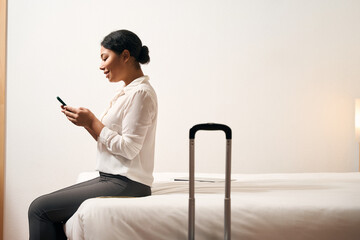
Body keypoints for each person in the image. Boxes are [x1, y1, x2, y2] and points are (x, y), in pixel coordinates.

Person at [28, 29, 158, 240]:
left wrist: (92, 121)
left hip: (128, 182)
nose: (101, 66)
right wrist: (86, 124)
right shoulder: (128, 92)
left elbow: (129, 149)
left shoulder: (141, 94)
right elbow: (110, 141)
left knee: (39, 209)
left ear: (125, 56)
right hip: (114, 177)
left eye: (105, 58)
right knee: (45, 209)